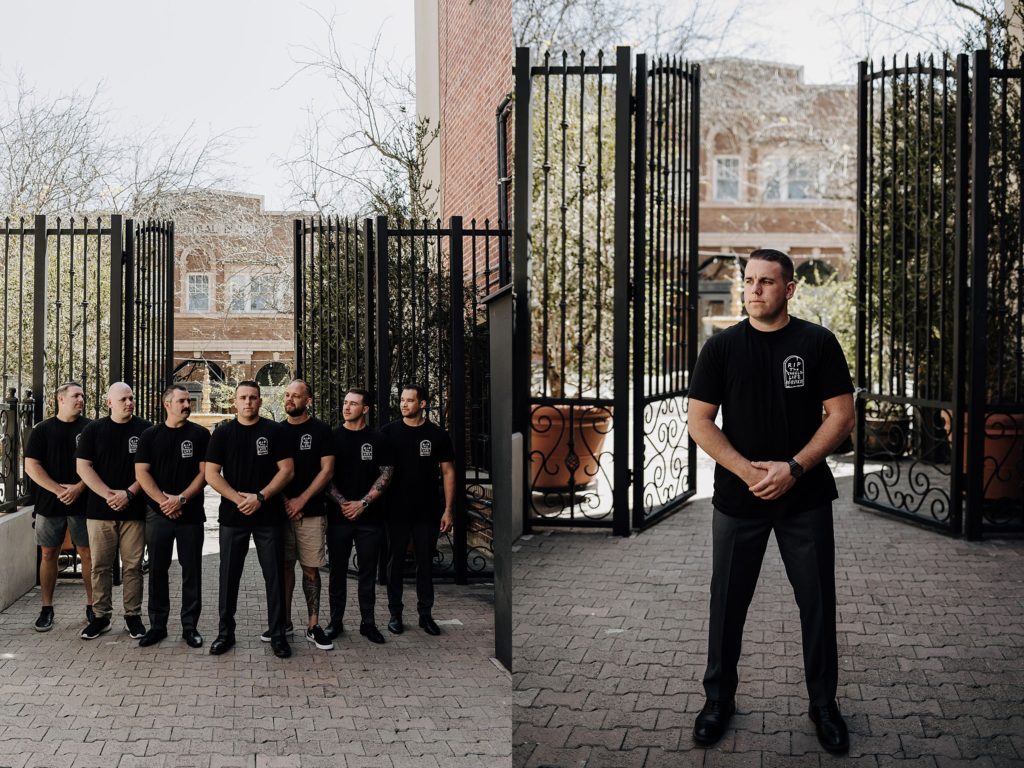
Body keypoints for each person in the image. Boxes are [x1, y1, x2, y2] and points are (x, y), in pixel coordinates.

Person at [687, 249, 855, 754]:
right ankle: (718, 701)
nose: (754, 289)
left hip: (805, 499)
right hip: (738, 502)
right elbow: (699, 421)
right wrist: (747, 471)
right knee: (727, 604)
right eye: (749, 281)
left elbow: (840, 416)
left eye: (766, 281)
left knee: (817, 602)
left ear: (789, 289)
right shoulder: (720, 348)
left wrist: (795, 468)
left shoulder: (818, 343)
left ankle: (823, 706)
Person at [204, 381, 294, 658]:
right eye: (243, 397)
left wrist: (261, 497)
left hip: (268, 515)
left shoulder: (274, 431)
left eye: (253, 397)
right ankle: (225, 634)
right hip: (233, 516)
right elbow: (211, 474)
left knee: (274, 576)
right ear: (234, 402)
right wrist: (238, 499)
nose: (248, 402)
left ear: (260, 401)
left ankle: (278, 634)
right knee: (228, 576)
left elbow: (287, 470)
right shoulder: (222, 433)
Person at [134, 384, 210, 648]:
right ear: (167, 404)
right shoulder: (149, 435)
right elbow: (142, 472)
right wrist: (163, 501)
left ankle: (190, 627)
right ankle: (157, 626)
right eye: (181, 401)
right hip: (158, 515)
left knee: (192, 571)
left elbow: (205, 473)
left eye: (188, 400)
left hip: (190, 515)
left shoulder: (200, 434)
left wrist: (182, 499)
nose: (187, 405)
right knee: (157, 569)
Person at [75, 382, 152, 641]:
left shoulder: (145, 430)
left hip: (134, 509)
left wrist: (128, 493)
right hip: (99, 510)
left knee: (133, 566)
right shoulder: (93, 430)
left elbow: (149, 470)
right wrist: (109, 494)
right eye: (123, 400)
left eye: (131, 398)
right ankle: (100, 617)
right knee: (100, 566)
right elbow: (84, 468)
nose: (129, 403)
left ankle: (133, 616)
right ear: (109, 403)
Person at [381, 384, 455, 636]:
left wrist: (448, 509)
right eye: (402, 400)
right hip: (396, 510)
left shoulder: (437, 435)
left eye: (410, 400)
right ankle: (395, 614)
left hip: (427, 511)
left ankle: (426, 615)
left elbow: (448, 472)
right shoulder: (388, 433)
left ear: (422, 404)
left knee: (425, 563)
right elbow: (380, 474)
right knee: (395, 563)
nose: (404, 404)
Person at [24, 382, 93, 631]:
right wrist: (57, 489)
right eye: (76, 395)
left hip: (83, 501)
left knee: (87, 554)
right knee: (48, 554)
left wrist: (77, 488)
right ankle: (46, 608)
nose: (81, 399)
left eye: (82, 395)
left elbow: (96, 465)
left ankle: (92, 607)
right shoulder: (42, 430)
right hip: (49, 503)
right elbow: (31, 465)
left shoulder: (90, 428)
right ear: (60, 399)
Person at [326, 388, 393, 645]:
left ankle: (368, 623)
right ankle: (335, 622)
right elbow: (325, 476)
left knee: (368, 572)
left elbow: (386, 474)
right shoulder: (331, 437)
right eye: (345, 403)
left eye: (353, 404)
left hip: (370, 518)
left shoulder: (378, 438)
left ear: (365, 409)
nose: (346, 407)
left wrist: (363, 503)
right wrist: (345, 504)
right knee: (337, 572)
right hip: (339, 517)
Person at [277, 379, 335, 651]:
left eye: (296, 396)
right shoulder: (275, 431)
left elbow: (327, 471)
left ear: (308, 401)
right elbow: (272, 473)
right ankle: (284, 622)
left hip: (311, 513)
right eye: (287, 395)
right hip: (282, 513)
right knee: (285, 567)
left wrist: (301, 500)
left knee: (311, 569)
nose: (290, 399)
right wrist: (288, 501)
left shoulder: (321, 431)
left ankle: (313, 625)